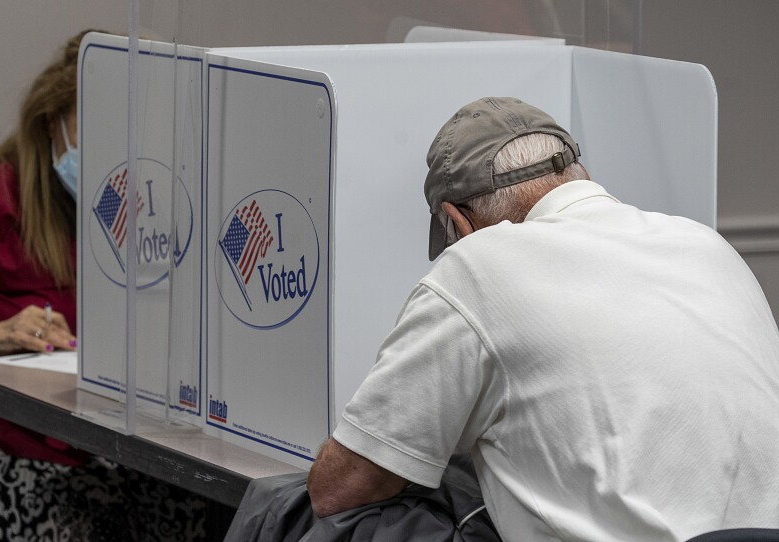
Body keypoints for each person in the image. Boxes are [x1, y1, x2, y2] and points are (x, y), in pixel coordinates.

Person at [306, 97, 779, 541]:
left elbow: (341, 488)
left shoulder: (479, 267)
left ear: (458, 222)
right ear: (579, 175)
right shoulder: (704, 244)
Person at [0, 30, 211, 541]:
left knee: (211, 520)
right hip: (7, 450)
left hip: (119, 446)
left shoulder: (147, 210)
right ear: (52, 123)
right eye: (100, 135)